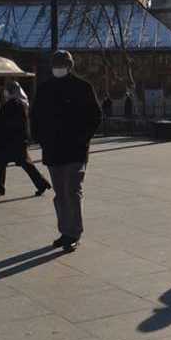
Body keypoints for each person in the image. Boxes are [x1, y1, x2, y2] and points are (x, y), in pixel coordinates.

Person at [31, 50, 102, 253]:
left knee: (72, 190)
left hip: (75, 151)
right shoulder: (45, 89)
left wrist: (83, 139)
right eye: (56, 64)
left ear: (70, 66)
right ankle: (65, 231)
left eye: (62, 64)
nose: (58, 68)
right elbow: (35, 117)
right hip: (53, 151)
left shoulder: (82, 87)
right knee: (60, 193)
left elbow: (95, 116)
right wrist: (41, 139)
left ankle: (74, 233)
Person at [0, 81, 51, 197]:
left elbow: (1, 122)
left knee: (6, 163)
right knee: (22, 164)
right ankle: (40, 183)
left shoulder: (12, 105)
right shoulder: (20, 104)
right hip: (16, 140)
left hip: (8, 140)